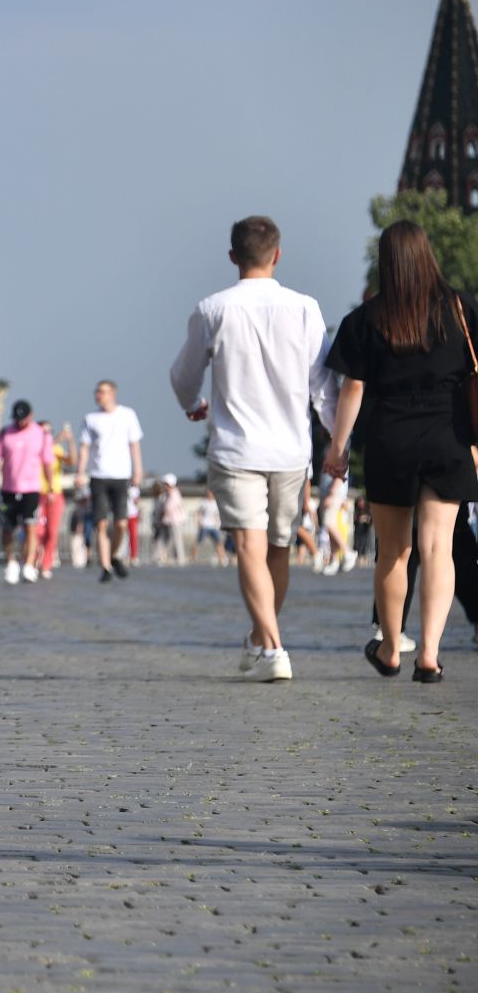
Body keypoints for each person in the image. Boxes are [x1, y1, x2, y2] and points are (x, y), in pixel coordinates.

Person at [169, 215, 331, 682]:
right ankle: (262, 640)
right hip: (291, 450)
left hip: (237, 448)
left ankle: (272, 646)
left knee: (248, 547)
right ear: (277, 255)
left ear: (232, 256)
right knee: (277, 549)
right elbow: (322, 385)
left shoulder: (213, 308)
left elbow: (183, 375)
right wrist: (336, 443)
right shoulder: (305, 308)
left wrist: (193, 405)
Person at [324, 219, 478, 684]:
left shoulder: (367, 318)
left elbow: (352, 388)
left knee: (393, 551)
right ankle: (429, 654)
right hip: (449, 436)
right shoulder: (460, 308)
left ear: (386, 263)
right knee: (439, 549)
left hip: (391, 438)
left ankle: (391, 647)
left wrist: (337, 446)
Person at [78, 380, 144, 584]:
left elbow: (134, 445)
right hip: (98, 475)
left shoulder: (127, 415)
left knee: (121, 524)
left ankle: (114, 556)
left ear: (113, 393)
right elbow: (84, 448)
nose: (99, 395)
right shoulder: (90, 418)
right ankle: (105, 566)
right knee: (101, 523)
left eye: (103, 392)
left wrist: (138, 469)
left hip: (121, 475)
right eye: (97, 392)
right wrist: (80, 472)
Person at [0, 400, 54, 584]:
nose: (20, 423)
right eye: (17, 419)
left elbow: (48, 461)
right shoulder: (5, 433)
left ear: (31, 416)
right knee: (7, 528)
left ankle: (29, 564)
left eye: (23, 419)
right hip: (8, 488)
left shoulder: (41, 434)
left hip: (31, 489)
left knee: (30, 527)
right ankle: (10, 562)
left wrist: (50, 486)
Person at [37, 426, 74, 579]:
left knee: (52, 531)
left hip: (55, 494)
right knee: (38, 531)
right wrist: (58, 438)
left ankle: (46, 564)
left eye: (49, 432)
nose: (47, 435)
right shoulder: (34, 447)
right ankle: (33, 561)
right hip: (38, 493)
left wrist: (70, 441)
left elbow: (71, 461)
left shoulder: (56, 449)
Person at [157, 474, 187, 565]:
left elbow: (168, 507)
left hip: (175, 521)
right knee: (164, 539)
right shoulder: (167, 494)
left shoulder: (174, 494)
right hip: (168, 520)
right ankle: (159, 556)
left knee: (177, 540)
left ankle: (180, 558)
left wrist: (162, 512)